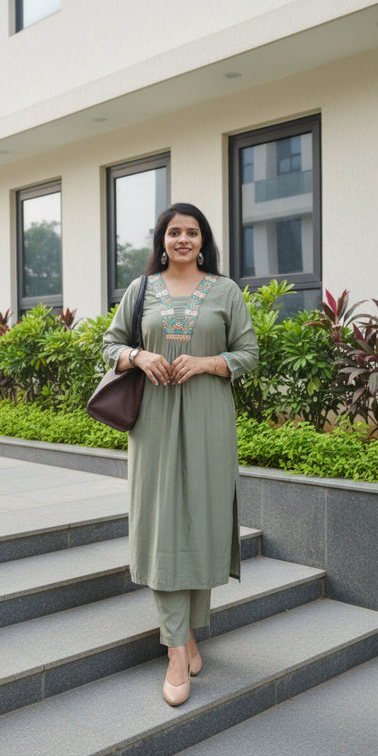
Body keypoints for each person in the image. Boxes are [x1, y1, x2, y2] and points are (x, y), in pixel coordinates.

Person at [102, 202, 258, 706]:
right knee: (164, 525)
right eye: (174, 232)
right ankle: (175, 650)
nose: (183, 240)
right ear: (162, 240)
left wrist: (210, 362)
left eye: (192, 232)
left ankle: (190, 631)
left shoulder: (226, 291)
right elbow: (110, 346)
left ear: (203, 240)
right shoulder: (141, 290)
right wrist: (140, 355)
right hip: (153, 426)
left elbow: (249, 354)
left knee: (203, 521)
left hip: (210, 421)